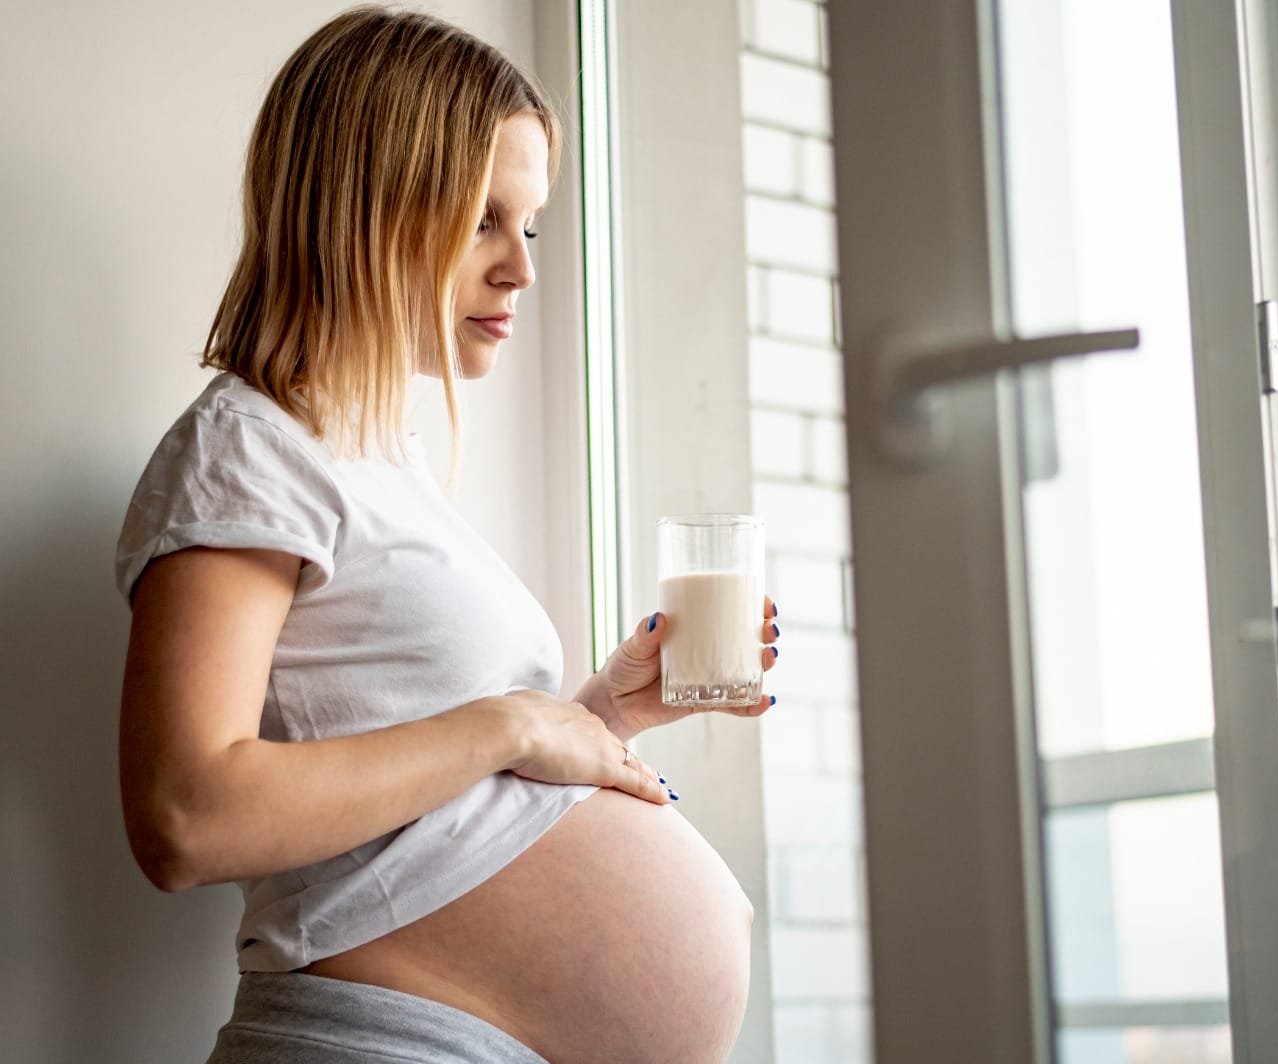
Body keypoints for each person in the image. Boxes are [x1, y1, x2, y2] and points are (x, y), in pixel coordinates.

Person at [113, 7, 780, 1062]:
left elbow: (421, 807)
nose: (520, 266)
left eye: (531, 225)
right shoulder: (246, 448)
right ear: (362, 205)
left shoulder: (378, 456)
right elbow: (186, 815)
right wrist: (513, 725)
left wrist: (599, 712)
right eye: (481, 218)